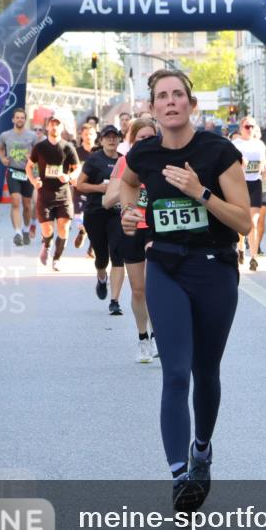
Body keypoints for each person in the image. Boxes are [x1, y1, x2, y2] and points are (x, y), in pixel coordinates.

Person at [117, 69, 252, 512]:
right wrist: (131, 214)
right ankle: (179, 476)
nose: (171, 102)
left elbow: (244, 222)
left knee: (205, 371)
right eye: (162, 97)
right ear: (152, 108)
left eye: (178, 95)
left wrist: (201, 193)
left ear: (191, 105)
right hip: (166, 267)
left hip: (214, 268)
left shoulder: (219, 151)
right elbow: (129, 185)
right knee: (175, 372)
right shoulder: (144, 153)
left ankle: (201, 448)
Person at [104, 118, 159, 361]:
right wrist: (131, 183)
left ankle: (159, 336)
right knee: (138, 290)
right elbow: (107, 201)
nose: (147, 142)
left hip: (156, 228)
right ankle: (142, 337)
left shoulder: (164, 159)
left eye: (151, 137)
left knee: (155, 286)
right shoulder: (125, 162)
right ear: (132, 141)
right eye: (141, 139)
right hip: (131, 226)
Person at [76, 125, 124, 313]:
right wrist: (100, 188)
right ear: (101, 140)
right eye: (108, 137)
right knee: (102, 258)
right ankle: (101, 278)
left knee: (117, 255)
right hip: (95, 212)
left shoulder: (124, 161)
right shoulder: (94, 160)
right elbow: (80, 185)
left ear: (119, 140)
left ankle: (115, 301)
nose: (112, 140)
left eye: (115, 137)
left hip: (117, 213)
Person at [25, 111, 80, 271]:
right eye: (52, 124)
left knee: (63, 227)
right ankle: (47, 245)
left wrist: (69, 177)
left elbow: (77, 169)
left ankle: (57, 258)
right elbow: (29, 166)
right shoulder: (40, 147)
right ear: (47, 126)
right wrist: (33, 180)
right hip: (45, 194)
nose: (54, 127)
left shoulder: (68, 147)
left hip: (63, 194)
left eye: (57, 124)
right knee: (48, 229)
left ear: (62, 127)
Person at [232, 116, 266, 271]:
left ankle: (253, 257)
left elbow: (263, 163)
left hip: (255, 184)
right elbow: (229, 165)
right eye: (247, 126)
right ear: (241, 127)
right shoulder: (235, 144)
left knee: (254, 222)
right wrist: (241, 162)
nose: (250, 129)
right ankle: (241, 247)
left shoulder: (259, 144)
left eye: (252, 126)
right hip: (240, 185)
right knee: (242, 224)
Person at [0, 108, 38, 246]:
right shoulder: (5, 135)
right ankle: (17, 233)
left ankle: (26, 229)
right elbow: (0, 148)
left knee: (27, 205)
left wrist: (32, 158)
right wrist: (2, 159)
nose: (20, 120)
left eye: (22, 118)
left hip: (27, 173)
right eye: (17, 117)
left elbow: (39, 153)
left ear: (25, 120)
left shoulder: (32, 136)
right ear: (13, 119)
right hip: (13, 171)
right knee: (15, 201)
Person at [72, 122, 98, 249]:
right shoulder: (76, 152)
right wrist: (70, 177)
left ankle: (92, 247)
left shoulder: (99, 152)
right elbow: (68, 167)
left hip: (95, 190)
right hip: (79, 189)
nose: (88, 137)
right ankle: (82, 230)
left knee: (95, 219)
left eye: (91, 134)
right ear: (81, 135)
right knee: (78, 217)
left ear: (96, 135)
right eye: (86, 134)